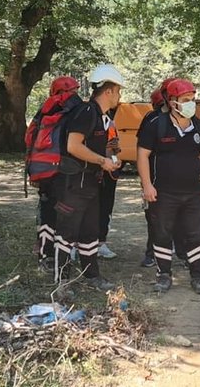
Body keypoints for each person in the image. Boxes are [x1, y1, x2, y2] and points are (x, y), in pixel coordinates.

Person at [137, 78, 200, 294]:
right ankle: (164, 275)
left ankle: (198, 277)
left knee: (195, 235)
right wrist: (147, 186)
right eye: (186, 99)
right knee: (162, 233)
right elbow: (142, 156)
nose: (191, 103)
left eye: (192, 99)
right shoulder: (156, 125)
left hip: (193, 193)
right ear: (172, 102)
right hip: (163, 192)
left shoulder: (198, 126)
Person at [52, 64, 124, 291]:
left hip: (93, 183)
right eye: (118, 91)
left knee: (90, 232)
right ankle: (61, 281)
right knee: (67, 233)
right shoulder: (86, 112)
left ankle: (91, 275)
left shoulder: (102, 117)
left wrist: (110, 160)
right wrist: (103, 161)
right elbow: (73, 146)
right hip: (75, 183)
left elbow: (98, 147)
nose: (119, 96)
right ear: (108, 91)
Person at [28, 76, 82, 272]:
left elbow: (30, 139)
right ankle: (64, 255)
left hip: (44, 172)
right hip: (66, 171)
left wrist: (31, 171)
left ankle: (45, 255)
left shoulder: (43, 111)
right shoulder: (77, 110)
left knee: (46, 212)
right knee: (66, 213)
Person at [138, 84, 187, 268]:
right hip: (157, 179)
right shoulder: (153, 120)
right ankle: (159, 253)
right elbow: (142, 151)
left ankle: (159, 253)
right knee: (159, 218)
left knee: (157, 218)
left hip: (162, 179)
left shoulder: (185, 119)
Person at [98, 110, 121, 259]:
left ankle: (101, 243)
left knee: (105, 207)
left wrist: (114, 159)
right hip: (90, 171)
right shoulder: (86, 118)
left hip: (109, 172)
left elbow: (114, 147)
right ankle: (75, 245)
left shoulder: (110, 122)